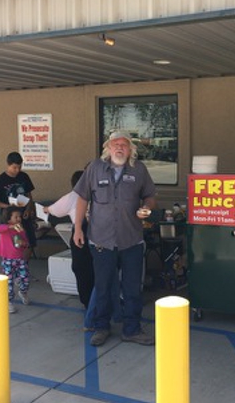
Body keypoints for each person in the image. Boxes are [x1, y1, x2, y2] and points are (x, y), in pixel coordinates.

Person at [73, 130, 157, 347]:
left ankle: (132, 329)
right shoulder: (94, 168)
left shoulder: (139, 170)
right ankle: (101, 327)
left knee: (131, 287)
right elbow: (82, 199)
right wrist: (77, 229)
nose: (120, 147)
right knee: (103, 286)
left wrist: (146, 207)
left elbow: (150, 196)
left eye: (124, 144)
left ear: (130, 149)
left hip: (131, 240)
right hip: (101, 239)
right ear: (108, 148)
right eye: (115, 144)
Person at [43, 170, 94, 308]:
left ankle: (88, 302)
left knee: (82, 270)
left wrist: (45, 209)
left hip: (83, 235)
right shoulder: (96, 193)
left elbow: (54, 209)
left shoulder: (73, 196)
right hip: (91, 234)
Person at [0, 152, 36, 261]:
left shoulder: (24, 176)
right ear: (8, 165)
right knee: (12, 243)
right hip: (10, 217)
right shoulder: (0, 180)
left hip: (24, 214)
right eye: (14, 167)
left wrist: (29, 208)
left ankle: (24, 266)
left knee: (29, 241)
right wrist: (9, 206)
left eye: (20, 167)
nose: (17, 170)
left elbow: (29, 195)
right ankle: (12, 267)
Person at [0, 206, 31, 314]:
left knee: (26, 278)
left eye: (19, 217)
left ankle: (23, 291)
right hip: (7, 260)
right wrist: (10, 227)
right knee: (8, 283)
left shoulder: (20, 230)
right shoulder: (4, 229)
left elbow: (26, 243)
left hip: (19, 259)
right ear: (8, 219)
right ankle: (8, 301)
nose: (19, 219)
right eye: (16, 217)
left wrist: (24, 243)